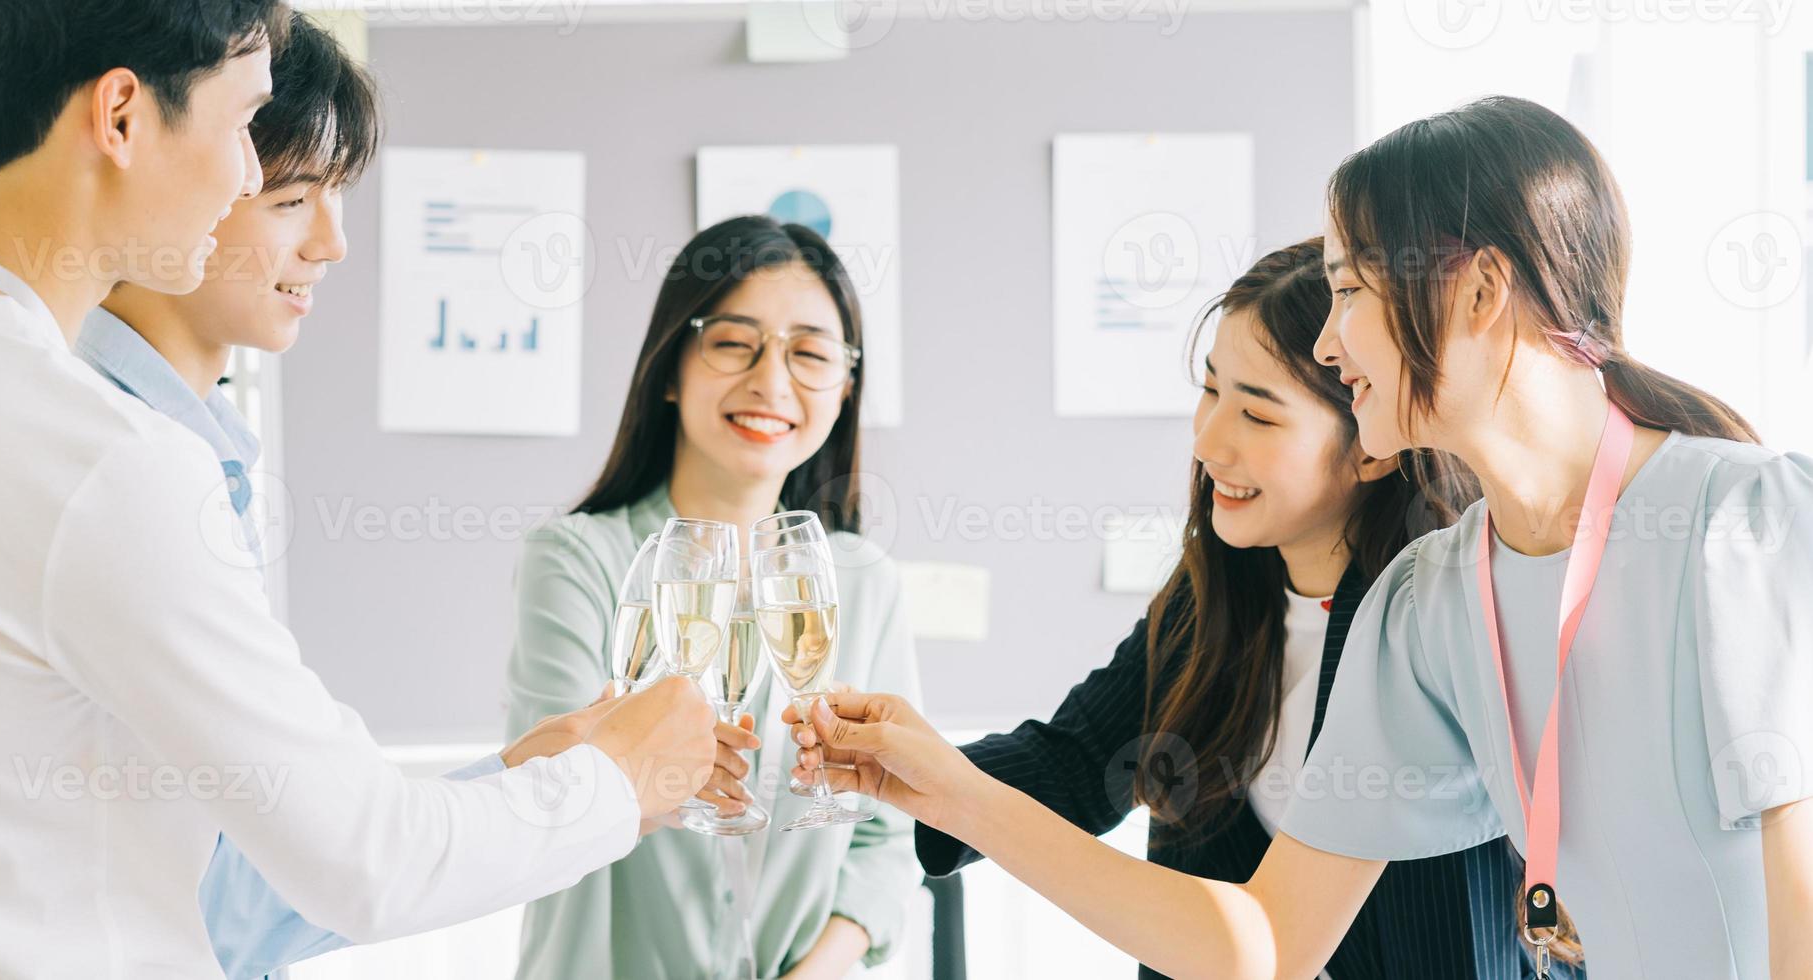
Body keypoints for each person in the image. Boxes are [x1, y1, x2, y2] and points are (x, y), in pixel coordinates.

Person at [788, 97, 1813, 979]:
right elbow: (1268, 937)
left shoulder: (1747, 523)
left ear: (1479, 291)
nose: (1331, 336)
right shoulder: (1429, 605)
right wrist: (944, 786)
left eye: (1354, 290)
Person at [0, 3, 714, 976]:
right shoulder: (104, 462)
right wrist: (619, 780)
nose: (245, 171)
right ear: (121, 117)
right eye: (242, 125)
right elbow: (367, 860)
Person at [912, 237, 1583, 978]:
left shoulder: (1436, 620)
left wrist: (954, 795)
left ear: (1372, 442)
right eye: (1210, 391)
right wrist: (896, 770)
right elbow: (1075, 761)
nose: (1208, 442)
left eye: (1258, 417)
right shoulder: (1212, 605)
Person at [503, 215, 923, 980]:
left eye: (811, 353)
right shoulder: (578, 560)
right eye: (734, 342)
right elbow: (552, 802)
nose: (771, 381)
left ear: (845, 387)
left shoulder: (861, 581)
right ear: (671, 367)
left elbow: (884, 844)